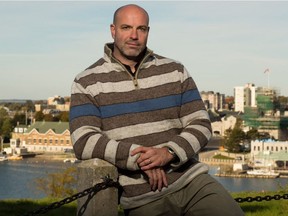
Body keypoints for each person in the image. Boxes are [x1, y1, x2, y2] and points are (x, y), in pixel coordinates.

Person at [69, 4, 244, 216]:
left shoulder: (174, 71)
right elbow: (84, 141)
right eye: (126, 27)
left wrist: (168, 153)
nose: (134, 35)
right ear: (113, 30)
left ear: (148, 32)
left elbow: (201, 124)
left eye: (141, 29)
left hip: (193, 182)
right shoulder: (87, 81)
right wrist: (141, 160)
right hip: (142, 196)